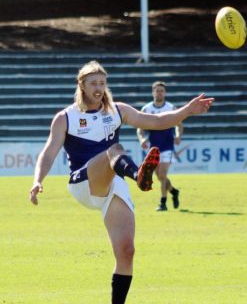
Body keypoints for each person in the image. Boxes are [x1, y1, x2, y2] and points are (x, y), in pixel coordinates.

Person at [29, 61, 213, 304]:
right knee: (114, 149)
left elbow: (157, 121)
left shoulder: (117, 110)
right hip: (83, 183)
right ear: (81, 85)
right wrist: (37, 180)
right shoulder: (65, 117)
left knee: (126, 252)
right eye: (93, 83)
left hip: (112, 181)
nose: (99, 88)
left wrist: (186, 111)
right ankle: (139, 175)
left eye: (102, 83)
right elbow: (49, 152)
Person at [136, 81, 182, 211]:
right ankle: (173, 191)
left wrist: (178, 136)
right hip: (153, 148)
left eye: (161, 91)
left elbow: (179, 125)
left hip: (167, 146)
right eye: (157, 91)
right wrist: (142, 139)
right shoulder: (146, 109)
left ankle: (163, 202)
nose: (159, 93)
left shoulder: (171, 108)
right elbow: (140, 128)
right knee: (159, 177)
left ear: (165, 93)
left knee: (162, 174)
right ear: (153, 92)